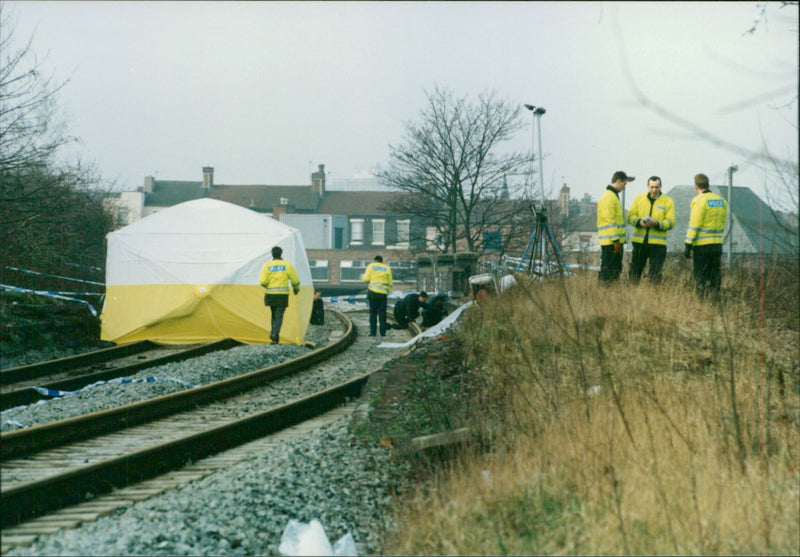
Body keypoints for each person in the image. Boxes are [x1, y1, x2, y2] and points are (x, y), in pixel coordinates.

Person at [684, 173, 727, 298]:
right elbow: (722, 222)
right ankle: (715, 299)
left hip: (702, 246)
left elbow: (695, 224)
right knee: (715, 275)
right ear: (708, 185)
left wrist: (688, 243)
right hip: (717, 244)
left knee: (700, 275)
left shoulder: (699, 200)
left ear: (696, 187)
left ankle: (702, 301)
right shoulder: (721, 200)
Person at [626, 176, 675, 284]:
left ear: (660, 187)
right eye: (652, 187)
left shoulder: (668, 201)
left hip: (658, 244)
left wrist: (658, 224)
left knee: (655, 273)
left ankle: (654, 295)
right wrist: (639, 222)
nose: (654, 190)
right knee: (635, 270)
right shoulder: (639, 199)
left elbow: (671, 222)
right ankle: (632, 292)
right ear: (648, 186)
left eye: (656, 187)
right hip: (640, 242)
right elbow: (629, 216)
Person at [597, 170, 634, 284]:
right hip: (611, 242)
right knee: (609, 270)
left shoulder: (612, 196)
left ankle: (608, 291)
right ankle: (605, 292)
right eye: (624, 184)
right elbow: (610, 221)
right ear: (619, 181)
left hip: (611, 241)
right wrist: (616, 241)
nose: (624, 187)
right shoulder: (609, 197)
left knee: (613, 269)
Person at [259, 246, 301, 344]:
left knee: (273, 315)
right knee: (279, 316)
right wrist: (296, 289)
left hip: (270, 295)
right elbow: (295, 279)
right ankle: (274, 336)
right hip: (282, 295)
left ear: (272, 254)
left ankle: (274, 335)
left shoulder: (267, 265)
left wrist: (268, 286)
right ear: (281, 253)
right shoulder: (287, 265)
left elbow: (262, 281)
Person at [362, 255, 393, 337]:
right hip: (383, 295)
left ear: (375, 260)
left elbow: (366, 279)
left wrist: (363, 277)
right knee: (382, 314)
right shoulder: (387, 268)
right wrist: (387, 292)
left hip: (373, 294)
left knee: (373, 314)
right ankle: (383, 333)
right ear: (382, 261)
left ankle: (373, 333)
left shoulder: (371, 266)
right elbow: (390, 282)